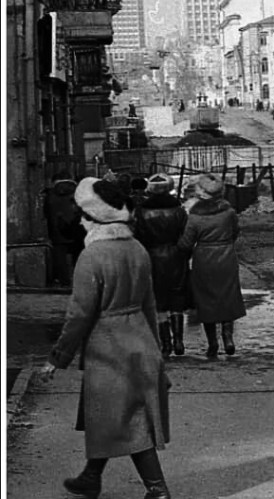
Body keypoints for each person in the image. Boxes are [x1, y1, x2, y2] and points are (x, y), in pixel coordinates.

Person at [39, 177, 172, 499]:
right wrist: (157, 350)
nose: (81, 221)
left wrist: (57, 358)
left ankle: (158, 490)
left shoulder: (92, 257)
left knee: (124, 419)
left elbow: (80, 314)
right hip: (138, 339)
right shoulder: (137, 248)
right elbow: (150, 303)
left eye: (84, 215)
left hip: (108, 348)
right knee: (107, 414)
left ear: (93, 218)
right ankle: (91, 477)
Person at [177, 174, 245, 359]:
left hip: (204, 258)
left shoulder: (195, 216)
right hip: (227, 256)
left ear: (203, 192)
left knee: (205, 298)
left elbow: (187, 242)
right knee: (228, 294)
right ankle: (228, 337)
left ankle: (212, 343)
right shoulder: (229, 212)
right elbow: (235, 232)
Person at [133, 173, 190, 358]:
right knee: (177, 297)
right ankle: (179, 341)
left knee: (158, 301)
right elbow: (186, 235)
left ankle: (166, 344)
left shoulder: (141, 211)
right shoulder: (179, 210)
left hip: (152, 256)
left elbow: (138, 236)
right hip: (175, 256)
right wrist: (183, 253)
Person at [44, 172, 86, 287]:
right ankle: (81, 281)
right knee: (79, 257)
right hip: (77, 230)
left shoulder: (50, 195)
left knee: (60, 258)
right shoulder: (78, 191)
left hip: (57, 232)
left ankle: (65, 282)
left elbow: (45, 213)